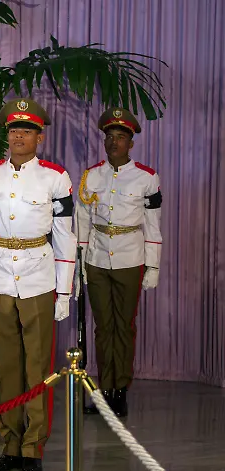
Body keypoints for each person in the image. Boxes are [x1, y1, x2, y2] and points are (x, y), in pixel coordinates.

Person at [0, 98, 77, 471]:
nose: (19, 135)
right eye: (14, 130)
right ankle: (10, 444)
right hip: (0, 276)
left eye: (27, 130)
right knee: (7, 368)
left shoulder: (55, 177)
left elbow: (65, 237)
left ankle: (33, 446)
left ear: (39, 137)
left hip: (38, 276)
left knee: (38, 367)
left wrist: (63, 291)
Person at [76, 107, 162, 417]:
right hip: (97, 260)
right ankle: (105, 390)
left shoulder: (147, 178)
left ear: (131, 143)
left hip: (130, 259)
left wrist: (152, 265)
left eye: (121, 137)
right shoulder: (91, 175)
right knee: (103, 327)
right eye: (109, 137)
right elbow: (82, 221)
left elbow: (153, 225)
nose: (114, 143)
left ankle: (120, 391)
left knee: (123, 327)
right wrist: (79, 264)